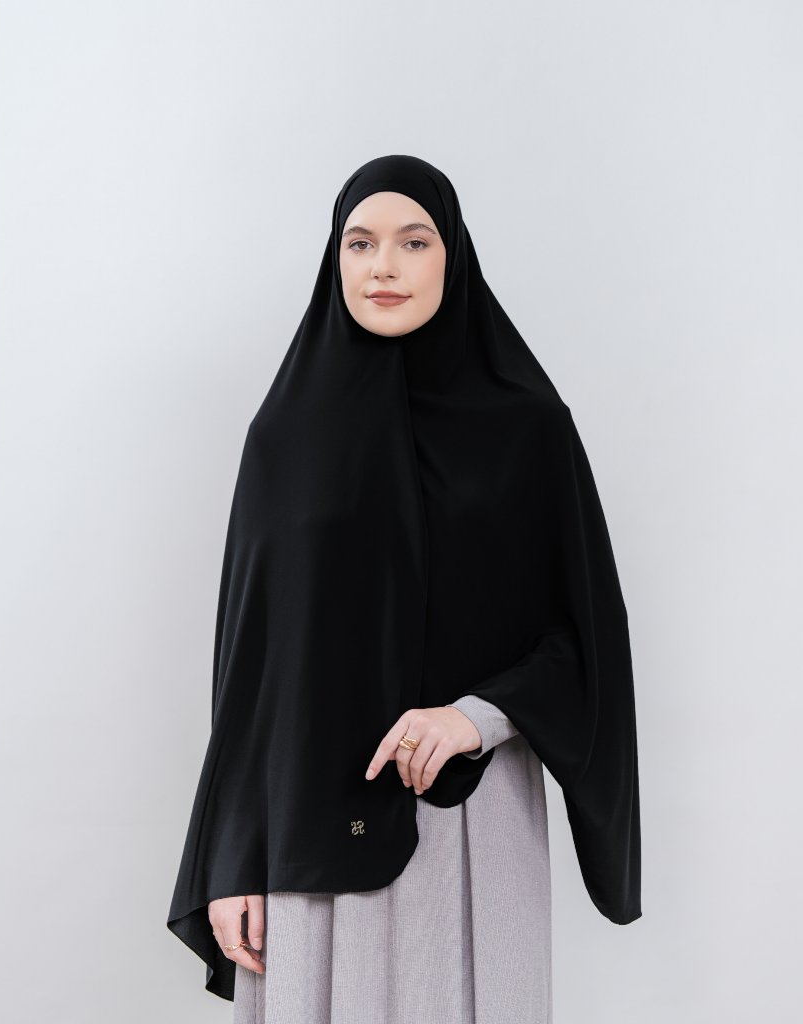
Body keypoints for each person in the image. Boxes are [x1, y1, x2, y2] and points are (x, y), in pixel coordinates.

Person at [167, 155, 642, 1023]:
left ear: (452, 256)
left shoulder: (529, 430)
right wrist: (229, 858)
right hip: (304, 832)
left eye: (413, 242)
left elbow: (588, 642)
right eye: (360, 243)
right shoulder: (284, 439)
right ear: (335, 259)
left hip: (472, 823)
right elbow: (250, 673)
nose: (383, 266)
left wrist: (476, 716)